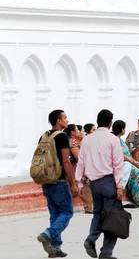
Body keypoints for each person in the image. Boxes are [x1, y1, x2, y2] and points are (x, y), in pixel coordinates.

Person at [76, 109, 124, 259]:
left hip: (94, 183)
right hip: (109, 180)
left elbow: (81, 162)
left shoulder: (87, 139)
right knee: (112, 217)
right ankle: (106, 252)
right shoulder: (113, 140)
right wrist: (119, 185)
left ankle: (91, 239)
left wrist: (79, 182)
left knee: (98, 213)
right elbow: (117, 164)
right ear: (110, 122)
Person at [36, 110, 77, 258]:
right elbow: (66, 161)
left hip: (47, 180)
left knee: (55, 214)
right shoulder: (62, 136)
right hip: (59, 180)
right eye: (65, 118)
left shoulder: (44, 135)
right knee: (67, 212)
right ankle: (48, 234)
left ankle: (55, 247)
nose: (67, 120)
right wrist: (72, 183)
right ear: (59, 121)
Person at [113, 120, 139, 206]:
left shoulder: (120, 140)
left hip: (130, 162)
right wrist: (133, 162)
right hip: (122, 164)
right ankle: (138, 199)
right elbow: (120, 155)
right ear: (122, 129)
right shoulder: (115, 140)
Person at [65, 123, 94, 214]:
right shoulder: (73, 142)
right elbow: (78, 157)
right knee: (86, 182)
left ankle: (89, 206)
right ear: (73, 133)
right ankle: (88, 206)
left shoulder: (77, 142)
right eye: (78, 130)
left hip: (80, 166)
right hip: (77, 167)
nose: (81, 132)